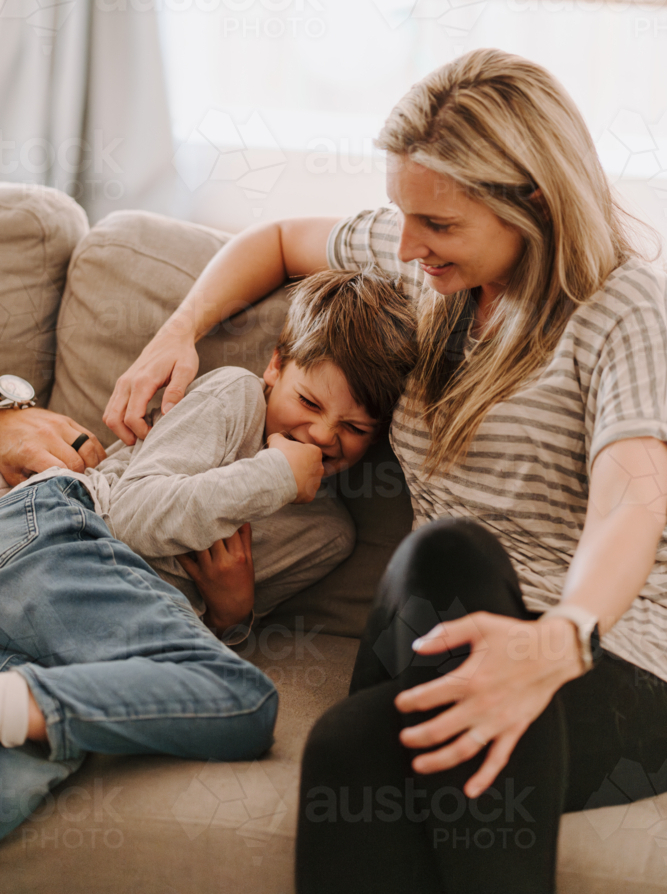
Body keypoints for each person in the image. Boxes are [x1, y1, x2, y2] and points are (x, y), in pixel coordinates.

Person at [101, 47, 667, 893]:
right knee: (447, 555)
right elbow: (278, 240)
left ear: (534, 205)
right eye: (404, 216)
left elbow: (633, 498)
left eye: (437, 226)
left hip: (599, 663)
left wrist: (560, 636)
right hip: (433, 619)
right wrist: (176, 330)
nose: (406, 247)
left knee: (345, 750)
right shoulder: (426, 270)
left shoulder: (622, 312)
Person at [0, 268, 417, 842]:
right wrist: (274, 474)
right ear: (275, 366)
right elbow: (130, 518)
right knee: (239, 700)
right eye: (309, 401)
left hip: (83, 636)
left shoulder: (326, 535)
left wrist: (232, 616)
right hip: (60, 536)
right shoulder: (236, 396)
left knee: (20, 770)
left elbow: (179, 635)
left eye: (354, 427)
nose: (322, 434)